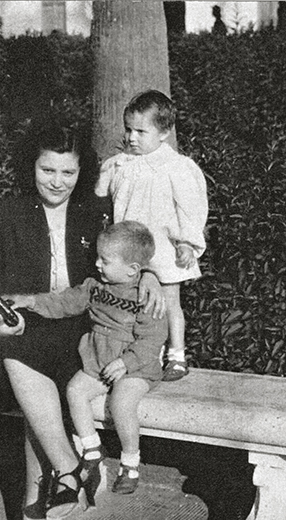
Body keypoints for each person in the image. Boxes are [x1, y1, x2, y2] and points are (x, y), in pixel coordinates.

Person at [0, 116, 164, 520]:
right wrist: (1, 320)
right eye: (47, 170)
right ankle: (65, 472)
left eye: (68, 172)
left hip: (85, 334)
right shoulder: (3, 216)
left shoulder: (94, 213)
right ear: (31, 167)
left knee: (36, 394)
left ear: (81, 172)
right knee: (18, 354)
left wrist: (150, 275)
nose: (57, 182)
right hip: (27, 330)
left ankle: (41, 505)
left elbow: (130, 254)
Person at [6, 221, 168, 496]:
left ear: (132, 269)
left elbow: (152, 341)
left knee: (122, 403)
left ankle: (130, 463)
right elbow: (64, 302)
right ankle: (91, 448)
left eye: (105, 260)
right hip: (99, 360)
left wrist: (126, 363)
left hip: (136, 368)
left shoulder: (147, 297)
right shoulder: (94, 288)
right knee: (75, 390)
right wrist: (31, 301)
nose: (97, 264)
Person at [96, 89, 208, 382]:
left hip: (163, 249)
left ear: (164, 132)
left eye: (141, 132)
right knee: (140, 304)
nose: (132, 138)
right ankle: (148, 355)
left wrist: (187, 242)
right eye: (128, 130)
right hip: (130, 249)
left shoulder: (176, 167)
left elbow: (189, 208)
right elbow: (101, 198)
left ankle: (177, 354)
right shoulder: (120, 164)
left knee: (169, 303)